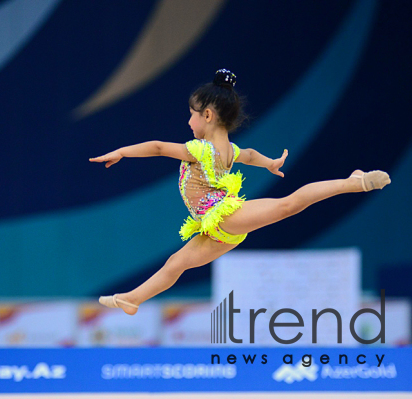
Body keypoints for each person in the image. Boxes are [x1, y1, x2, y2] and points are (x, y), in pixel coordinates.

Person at [89, 69, 390, 315]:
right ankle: (133, 299)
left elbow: (156, 147)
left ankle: (353, 182)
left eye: (191, 114)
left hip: (224, 215)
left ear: (207, 115)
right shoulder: (229, 150)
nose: (188, 121)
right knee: (175, 264)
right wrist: (270, 163)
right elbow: (248, 154)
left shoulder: (199, 149)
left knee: (288, 205)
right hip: (216, 229)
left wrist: (121, 152)